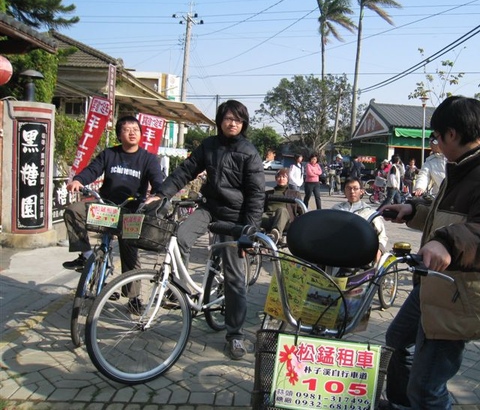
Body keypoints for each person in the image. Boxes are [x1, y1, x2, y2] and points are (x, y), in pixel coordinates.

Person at [380, 96, 480, 409]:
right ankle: (403, 404)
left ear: (452, 135)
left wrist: (447, 243)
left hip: (461, 295)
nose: (437, 144)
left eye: (438, 137)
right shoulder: (462, 168)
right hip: (436, 286)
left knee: (428, 388)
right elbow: (445, 214)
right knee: (397, 341)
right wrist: (411, 210)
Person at [145, 100, 265, 360]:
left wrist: (249, 232)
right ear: (220, 120)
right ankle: (181, 291)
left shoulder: (249, 152)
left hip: (235, 218)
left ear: (243, 124)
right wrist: (161, 194)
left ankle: (235, 334)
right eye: (227, 118)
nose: (232, 123)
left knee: (234, 277)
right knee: (179, 239)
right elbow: (186, 171)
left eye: (238, 119)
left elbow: (256, 197)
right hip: (209, 209)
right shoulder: (209, 146)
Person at [62, 115, 164, 313]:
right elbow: (92, 170)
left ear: (141, 133)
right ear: (119, 134)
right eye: (126, 129)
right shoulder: (109, 154)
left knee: (130, 253)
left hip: (131, 213)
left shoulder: (148, 159)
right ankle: (87, 256)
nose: (132, 132)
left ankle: (133, 299)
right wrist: (79, 180)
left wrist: (159, 195)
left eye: (135, 129)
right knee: (73, 211)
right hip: (106, 208)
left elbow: (157, 180)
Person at [332, 177, 388, 262]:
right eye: (349, 188)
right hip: (337, 248)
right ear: (345, 191)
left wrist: (379, 249)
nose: (352, 191)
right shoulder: (336, 209)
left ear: (361, 191)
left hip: (360, 251)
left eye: (355, 188)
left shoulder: (370, 212)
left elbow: (382, 235)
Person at [262, 168, 303, 243]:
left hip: (285, 219)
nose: (281, 179)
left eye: (284, 177)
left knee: (281, 210)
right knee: (258, 215)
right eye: (279, 177)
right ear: (276, 179)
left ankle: (275, 235)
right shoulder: (268, 193)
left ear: (287, 179)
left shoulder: (294, 194)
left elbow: (301, 211)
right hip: (269, 217)